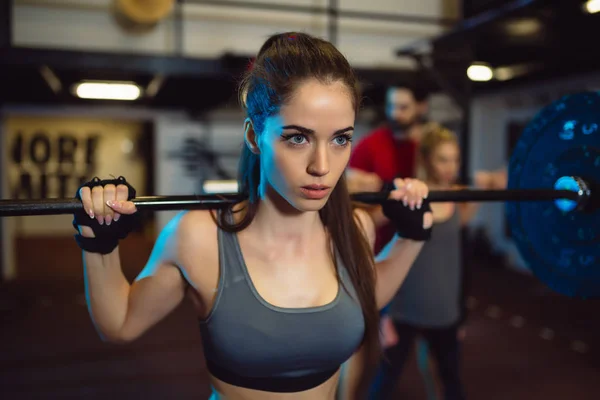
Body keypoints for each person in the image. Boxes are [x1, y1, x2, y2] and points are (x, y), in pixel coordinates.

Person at [72, 32, 434, 400]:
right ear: (253, 135)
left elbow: (365, 296)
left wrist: (411, 237)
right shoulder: (200, 237)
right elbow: (120, 323)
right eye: (297, 138)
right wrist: (98, 239)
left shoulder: (353, 226)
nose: (322, 166)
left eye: (340, 139)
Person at [366, 123, 500, 400]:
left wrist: (490, 180)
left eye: (455, 159)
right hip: (403, 309)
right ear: (426, 159)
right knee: (385, 382)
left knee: (452, 383)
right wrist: (383, 314)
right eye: (443, 159)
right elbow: (364, 222)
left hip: (444, 311)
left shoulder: (460, 197)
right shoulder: (409, 196)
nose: (450, 166)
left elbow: (500, 181)